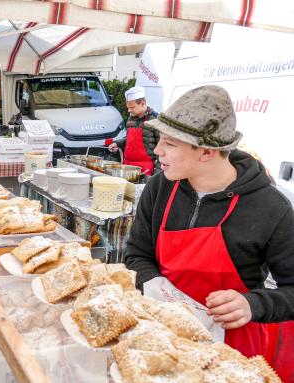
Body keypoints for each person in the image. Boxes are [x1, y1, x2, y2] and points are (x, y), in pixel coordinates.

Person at [125, 85, 294, 378]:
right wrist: (153, 285)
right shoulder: (160, 186)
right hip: (163, 333)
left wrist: (253, 304)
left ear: (206, 151)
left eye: (170, 144)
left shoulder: (271, 208)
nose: (157, 150)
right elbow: (137, 253)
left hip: (230, 350)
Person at [108, 85, 159, 175]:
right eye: (128, 107)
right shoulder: (131, 119)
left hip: (146, 170)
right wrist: (118, 144)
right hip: (128, 167)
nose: (128, 110)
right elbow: (129, 139)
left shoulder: (155, 120)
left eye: (132, 107)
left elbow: (162, 149)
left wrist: (157, 173)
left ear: (142, 103)